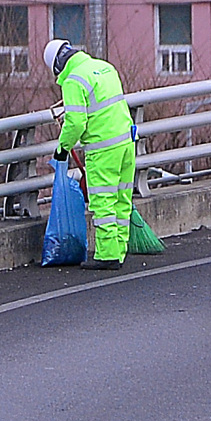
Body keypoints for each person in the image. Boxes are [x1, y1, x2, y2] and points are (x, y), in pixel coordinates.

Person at [43, 39, 136, 270]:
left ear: (57, 66)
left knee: (103, 201)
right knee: (122, 199)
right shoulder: (104, 67)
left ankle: (107, 255)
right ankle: (119, 249)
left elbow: (75, 122)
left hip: (103, 149)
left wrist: (62, 148)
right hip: (126, 141)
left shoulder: (73, 80)